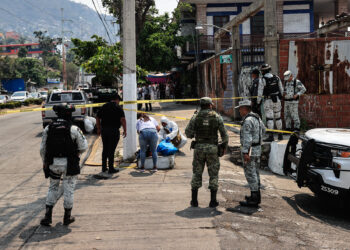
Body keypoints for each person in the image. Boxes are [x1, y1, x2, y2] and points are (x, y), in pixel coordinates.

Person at [40, 104, 88, 226]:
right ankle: (67, 217)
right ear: (69, 114)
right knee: (69, 190)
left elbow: (42, 149)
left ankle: (47, 216)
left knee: (53, 187)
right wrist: (77, 154)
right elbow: (83, 147)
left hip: (53, 164)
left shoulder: (48, 128)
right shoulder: (74, 129)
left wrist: (45, 162)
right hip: (69, 164)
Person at [185, 97, 228, 208]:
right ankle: (213, 201)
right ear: (209, 105)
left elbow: (188, 134)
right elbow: (225, 135)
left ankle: (194, 201)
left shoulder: (195, 117)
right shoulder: (217, 117)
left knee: (197, 173)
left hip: (199, 149)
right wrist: (223, 147)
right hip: (213, 149)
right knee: (213, 174)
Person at [236, 99, 265, 207]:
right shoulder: (257, 117)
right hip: (257, 149)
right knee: (255, 173)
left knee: (250, 174)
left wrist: (245, 152)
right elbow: (264, 130)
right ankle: (256, 197)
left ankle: (254, 199)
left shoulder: (247, 121)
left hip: (250, 151)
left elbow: (247, 138)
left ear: (245, 109)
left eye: (240, 108)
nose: (239, 111)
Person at [96, 93, 126, 173]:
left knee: (105, 149)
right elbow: (123, 119)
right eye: (119, 100)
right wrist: (125, 130)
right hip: (114, 131)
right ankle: (111, 168)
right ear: (117, 99)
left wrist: (98, 128)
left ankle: (104, 167)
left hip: (104, 131)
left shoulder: (104, 106)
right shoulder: (118, 108)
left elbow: (97, 117)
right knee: (111, 150)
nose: (119, 102)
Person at [258, 63, 283, 141]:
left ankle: (271, 136)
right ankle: (280, 135)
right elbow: (281, 89)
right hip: (277, 100)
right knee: (278, 117)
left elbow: (260, 92)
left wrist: (258, 101)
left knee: (270, 119)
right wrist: (280, 97)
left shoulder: (262, 79)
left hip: (268, 101)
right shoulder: (277, 78)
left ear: (263, 71)